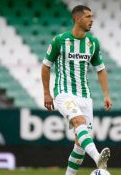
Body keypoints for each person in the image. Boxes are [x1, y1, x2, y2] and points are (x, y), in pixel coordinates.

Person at [41, 5, 112, 175]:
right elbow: (45, 67)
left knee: (80, 145)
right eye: (88, 16)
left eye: (92, 16)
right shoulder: (59, 40)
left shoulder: (92, 43)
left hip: (85, 96)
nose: (91, 19)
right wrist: (46, 93)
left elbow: (100, 69)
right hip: (64, 93)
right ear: (77, 19)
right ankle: (97, 158)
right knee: (79, 121)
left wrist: (106, 94)